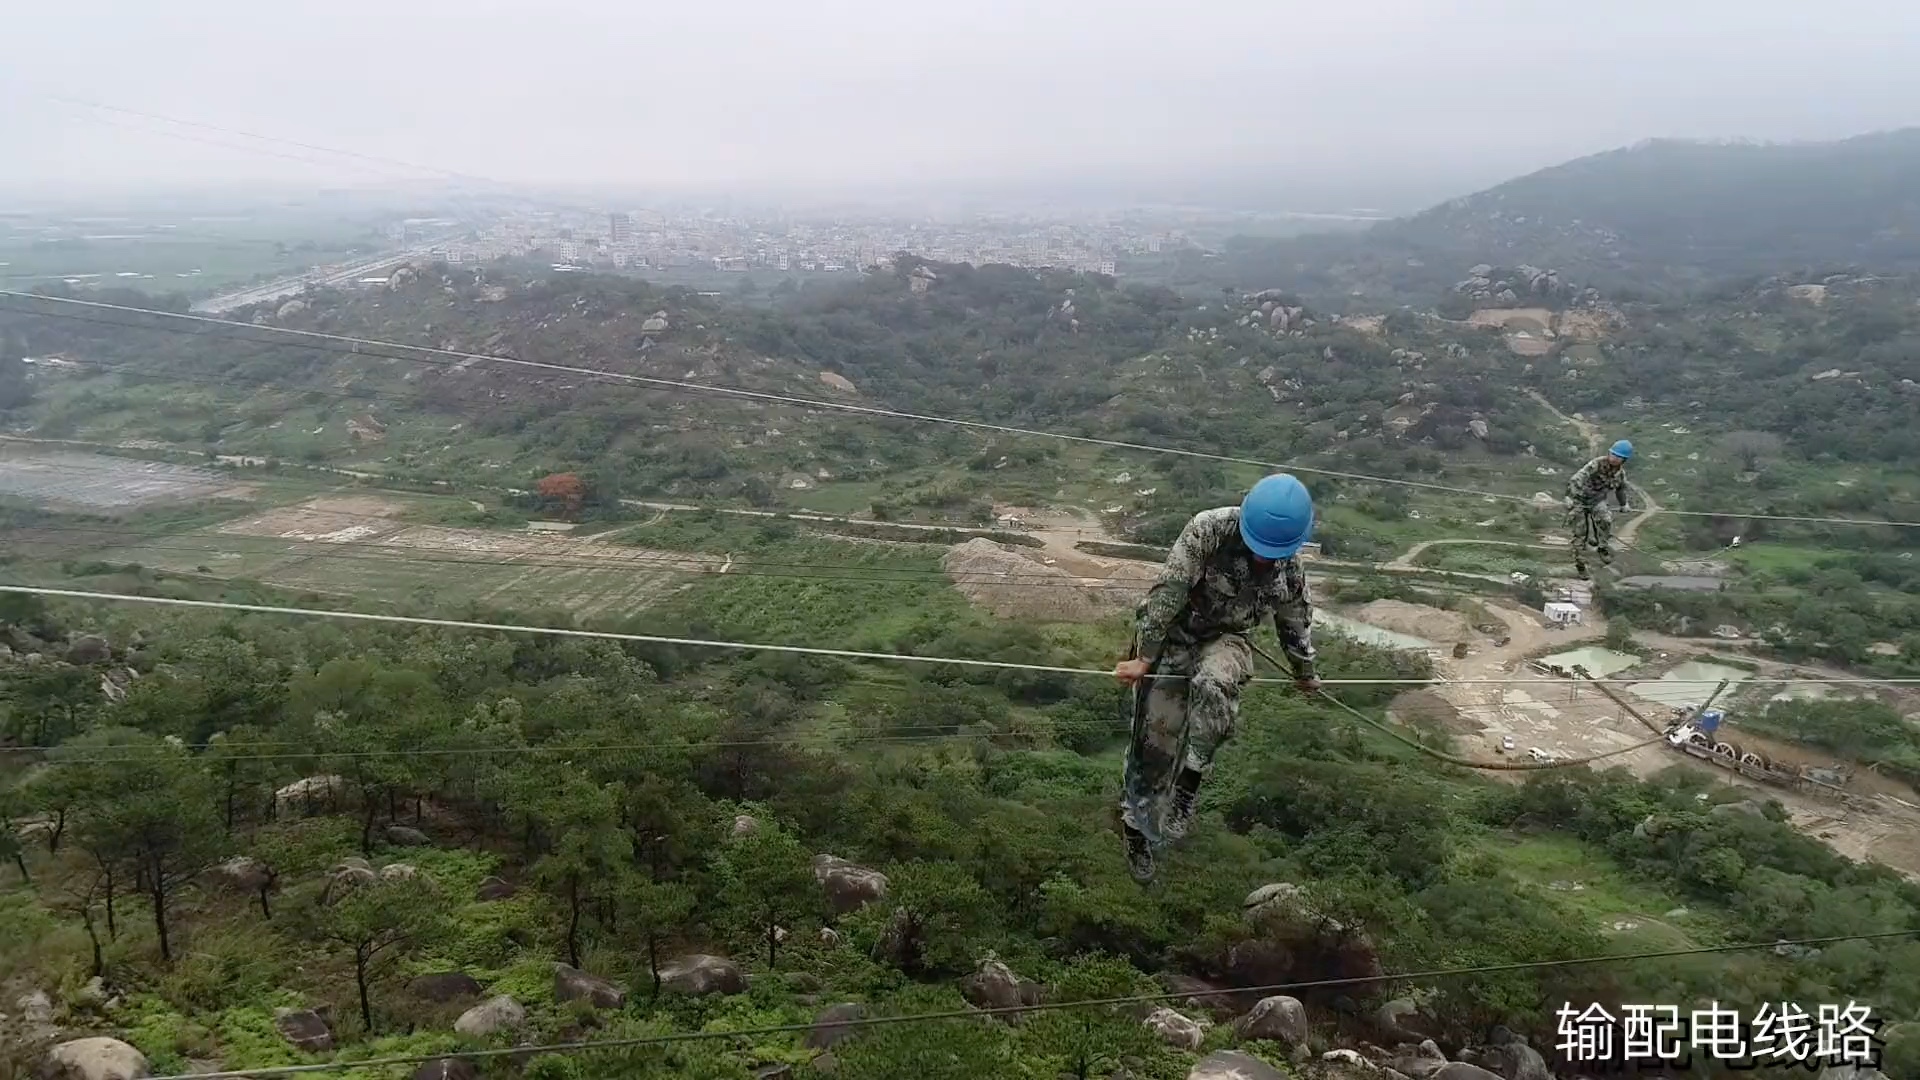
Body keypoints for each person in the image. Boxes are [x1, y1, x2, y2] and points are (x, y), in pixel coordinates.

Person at [1112, 473, 1320, 884]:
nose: (1263, 559)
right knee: (1157, 737)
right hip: (1174, 635)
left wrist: (1305, 673)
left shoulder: (1288, 566)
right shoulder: (1209, 530)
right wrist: (1144, 657)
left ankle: (1189, 783)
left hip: (1226, 639)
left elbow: (1294, 620)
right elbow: (1168, 592)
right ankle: (1137, 830)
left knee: (1217, 683)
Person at [1565, 439, 1633, 579]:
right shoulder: (1596, 464)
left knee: (1605, 520)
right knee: (1580, 534)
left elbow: (1620, 490)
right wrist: (1569, 497)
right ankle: (1580, 565)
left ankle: (1602, 547)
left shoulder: (1620, 474)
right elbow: (1576, 479)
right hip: (1578, 500)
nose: (1614, 458)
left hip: (1597, 500)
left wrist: (1623, 504)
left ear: (1624, 460)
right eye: (1613, 454)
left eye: (1618, 457)